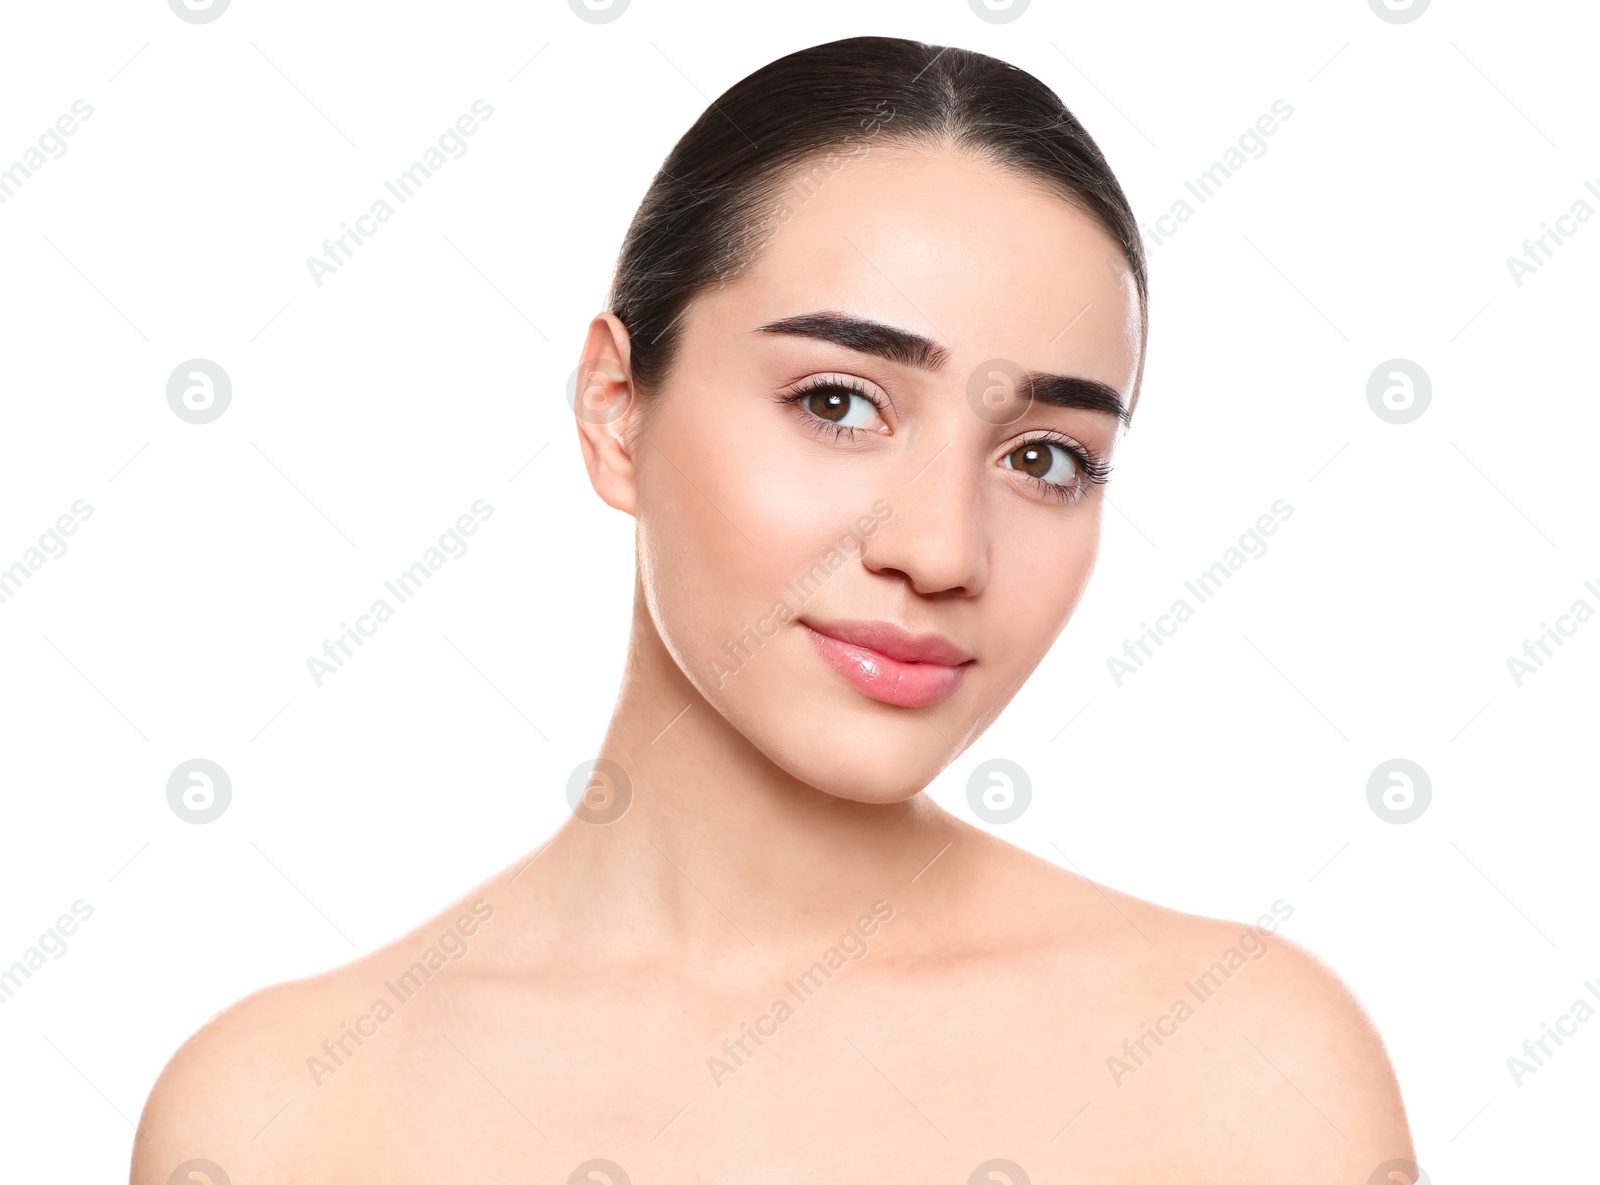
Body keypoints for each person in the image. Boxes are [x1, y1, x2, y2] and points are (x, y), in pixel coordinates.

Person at [133, 35, 1414, 1182]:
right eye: (839, 403)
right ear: (615, 412)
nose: (939, 550)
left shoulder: (1248, 1076)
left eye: (1043, 458)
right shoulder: (278, 1118)